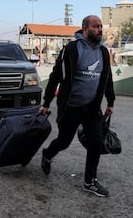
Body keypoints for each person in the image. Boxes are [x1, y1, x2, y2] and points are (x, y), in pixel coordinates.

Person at [39, 15, 115, 197]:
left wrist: (110, 101)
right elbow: (55, 77)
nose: (100, 30)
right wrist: (46, 103)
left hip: (92, 108)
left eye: (101, 27)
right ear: (85, 29)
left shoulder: (103, 52)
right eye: (96, 27)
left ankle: (90, 181)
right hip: (71, 107)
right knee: (64, 142)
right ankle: (47, 154)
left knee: (95, 142)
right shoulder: (71, 50)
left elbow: (107, 78)